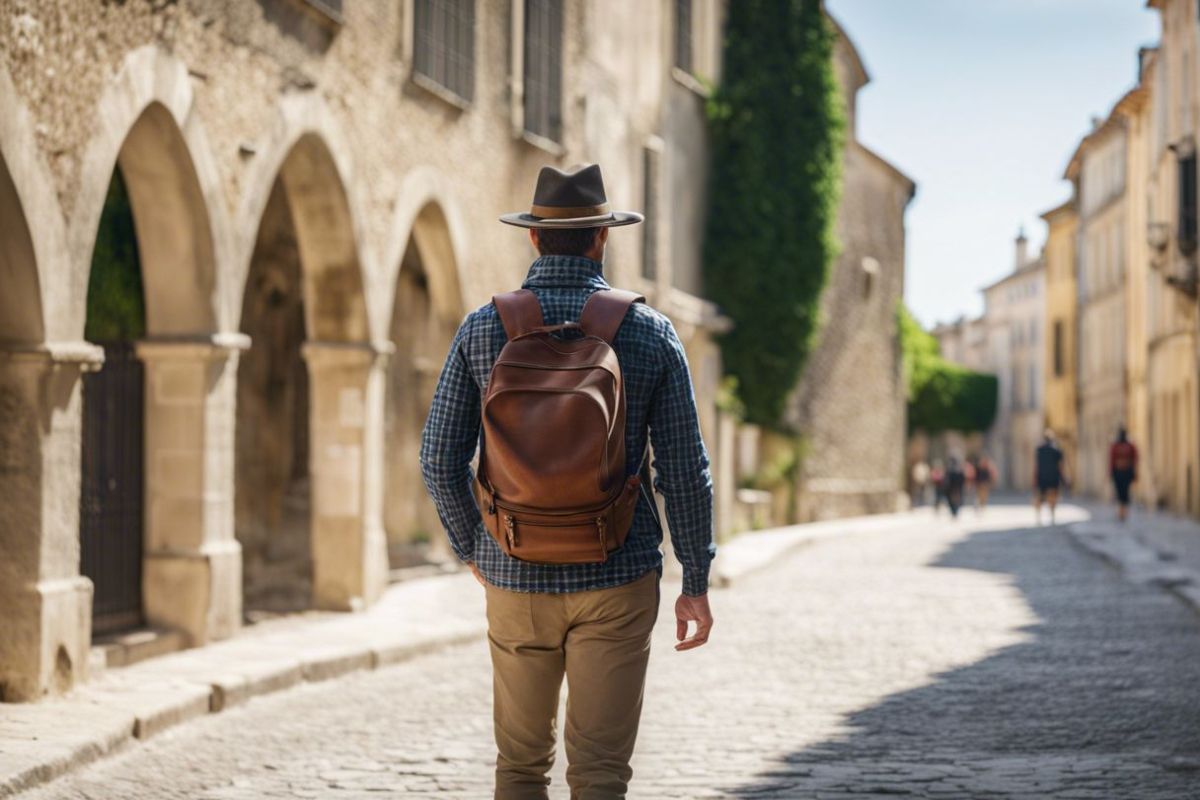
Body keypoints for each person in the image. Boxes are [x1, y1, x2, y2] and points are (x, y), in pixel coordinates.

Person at [420, 164, 715, 799]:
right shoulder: (648, 332)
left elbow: (438, 459)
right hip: (618, 574)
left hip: (515, 572)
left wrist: (475, 546)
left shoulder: (482, 328)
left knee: (521, 767)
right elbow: (684, 471)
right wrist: (694, 577)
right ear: (601, 238)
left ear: (533, 239)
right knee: (601, 771)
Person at [1034, 430, 1068, 525]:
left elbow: (1036, 466)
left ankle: (1038, 516)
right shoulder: (1057, 451)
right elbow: (1060, 466)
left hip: (1042, 476)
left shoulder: (1039, 450)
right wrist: (1063, 478)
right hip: (1053, 476)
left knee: (1040, 497)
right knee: (1052, 496)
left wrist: (1034, 478)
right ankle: (1052, 515)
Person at [1110, 427, 1139, 523]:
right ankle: (1121, 511)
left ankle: (1123, 512)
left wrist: (1134, 472)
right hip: (1119, 472)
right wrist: (1112, 472)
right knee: (1120, 492)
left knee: (1125, 492)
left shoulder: (1129, 446)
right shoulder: (1116, 446)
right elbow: (1112, 460)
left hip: (1125, 472)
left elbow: (1134, 459)